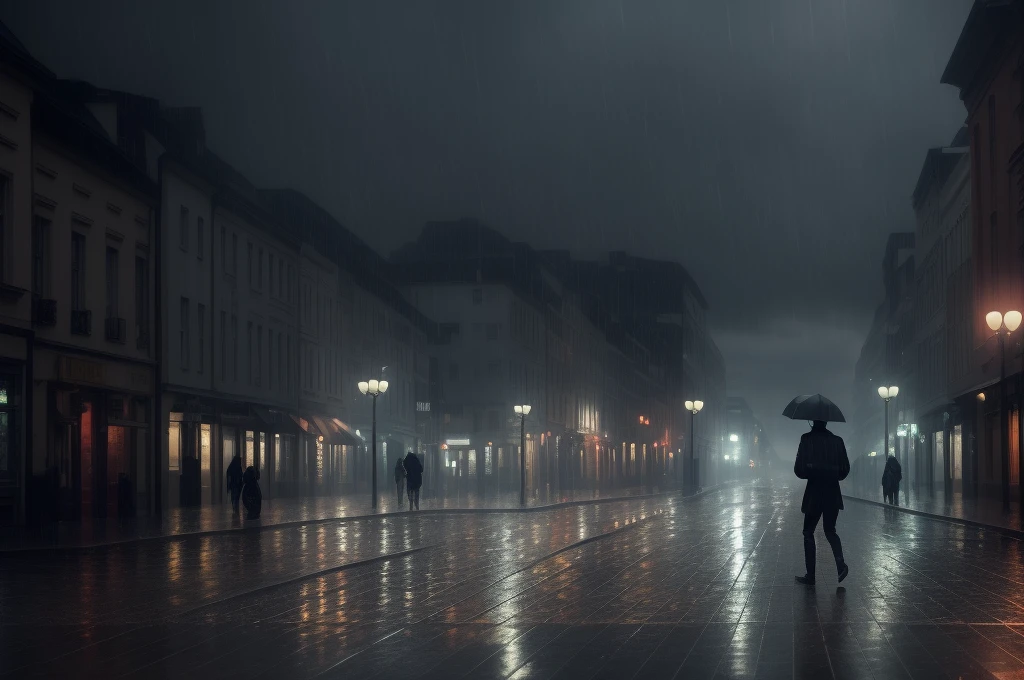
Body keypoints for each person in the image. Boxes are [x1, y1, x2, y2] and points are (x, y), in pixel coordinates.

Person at [794, 420, 850, 585]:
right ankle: (840, 563)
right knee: (830, 530)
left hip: (814, 493)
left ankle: (810, 575)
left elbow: (799, 470)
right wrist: (832, 474)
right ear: (826, 422)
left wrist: (813, 470)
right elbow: (844, 469)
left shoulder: (806, 439)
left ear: (812, 422)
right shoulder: (837, 441)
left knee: (808, 531)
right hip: (833, 492)